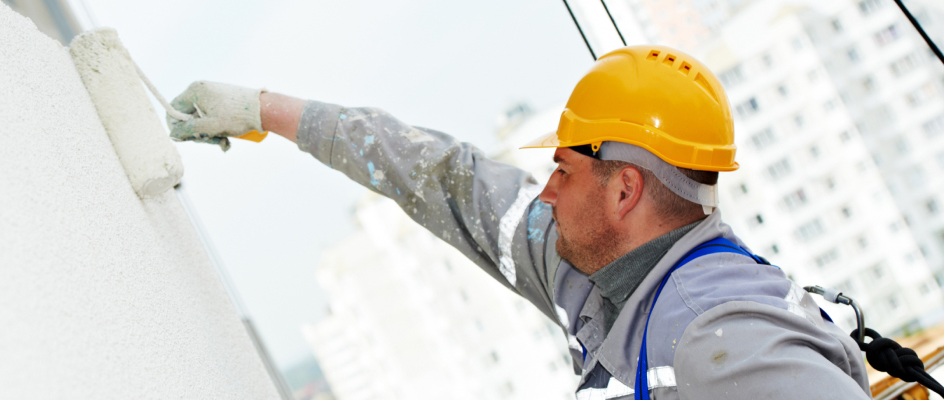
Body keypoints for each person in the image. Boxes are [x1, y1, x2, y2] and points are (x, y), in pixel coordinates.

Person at [167, 45, 871, 399]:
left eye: (560, 171)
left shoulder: (719, 335)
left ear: (624, 189)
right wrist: (263, 110)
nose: (543, 195)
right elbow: (444, 179)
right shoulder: (592, 272)